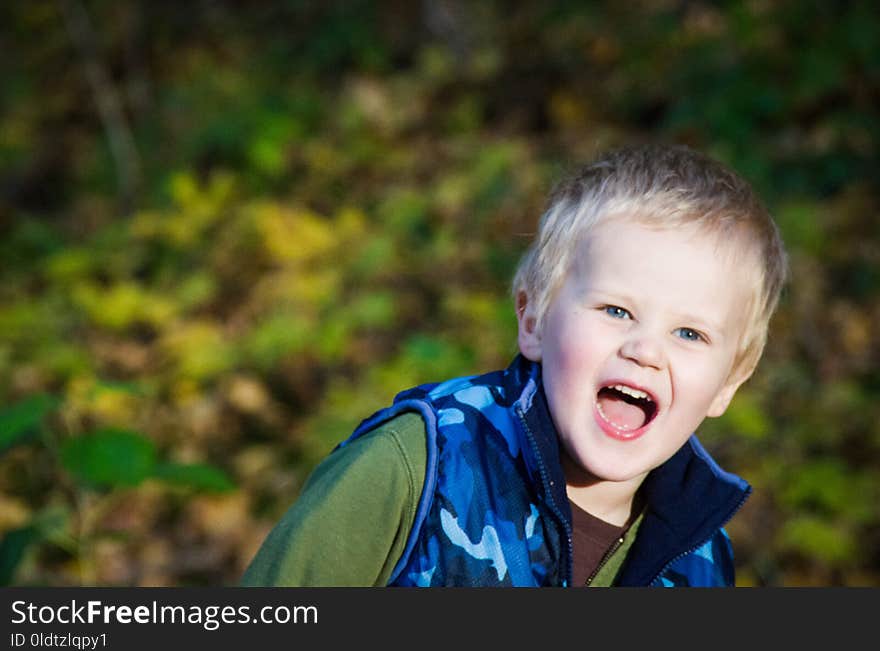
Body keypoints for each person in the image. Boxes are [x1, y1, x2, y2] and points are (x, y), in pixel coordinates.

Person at [241, 143, 787, 587]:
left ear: (729, 383)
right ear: (533, 321)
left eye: (689, 333)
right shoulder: (417, 466)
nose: (645, 351)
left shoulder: (700, 558)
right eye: (616, 310)